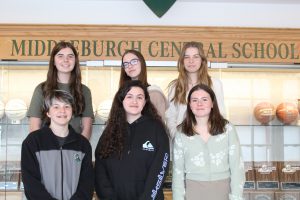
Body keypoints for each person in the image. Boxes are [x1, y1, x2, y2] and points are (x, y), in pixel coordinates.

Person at [95, 80, 170, 200]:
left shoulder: (156, 129)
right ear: (122, 100)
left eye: (139, 97)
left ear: (145, 101)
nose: (134, 101)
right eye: (129, 96)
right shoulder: (110, 131)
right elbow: (100, 171)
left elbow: (160, 169)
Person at [172, 84, 245, 200]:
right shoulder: (181, 132)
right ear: (190, 105)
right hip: (192, 191)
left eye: (204, 99)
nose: (199, 104)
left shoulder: (227, 129)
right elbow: (177, 172)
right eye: (194, 100)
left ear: (212, 104)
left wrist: (236, 197)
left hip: (223, 190)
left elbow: (237, 167)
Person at [21, 90, 94, 200]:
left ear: (72, 111)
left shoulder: (83, 145)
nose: (62, 111)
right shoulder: (33, 142)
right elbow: (30, 182)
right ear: (48, 112)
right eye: (56, 107)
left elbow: (87, 183)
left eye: (67, 106)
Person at [27, 41, 94, 140]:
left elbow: (87, 127)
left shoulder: (84, 91)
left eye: (70, 56)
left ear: (75, 61)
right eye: (60, 56)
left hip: (74, 149)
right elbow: (34, 127)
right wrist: (44, 150)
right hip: (47, 149)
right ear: (53, 61)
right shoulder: (41, 89)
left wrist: (79, 149)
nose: (66, 60)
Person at [165, 41, 225, 141]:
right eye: (187, 57)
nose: (191, 61)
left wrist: (209, 138)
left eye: (196, 57)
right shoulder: (174, 86)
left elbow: (220, 114)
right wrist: (177, 137)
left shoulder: (215, 84)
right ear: (182, 61)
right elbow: (170, 117)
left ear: (202, 60)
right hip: (181, 143)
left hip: (207, 141)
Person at [119, 49, 168, 120]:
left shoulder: (154, 93)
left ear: (142, 63)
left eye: (134, 61)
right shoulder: (122, 94)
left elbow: (159, 126)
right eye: (126, 64)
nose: (130, 66)